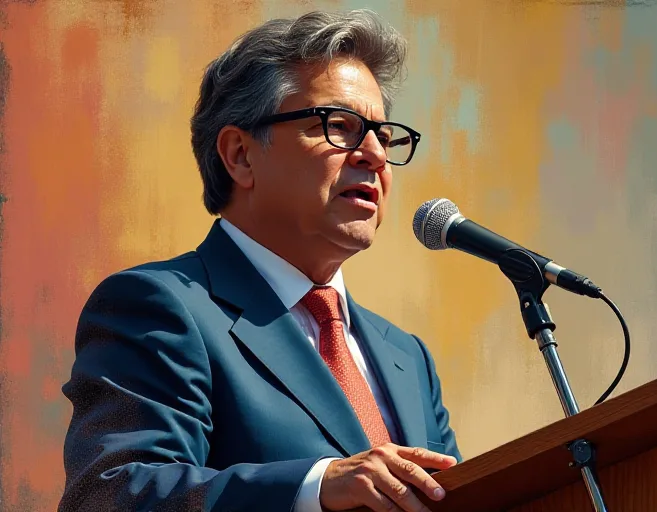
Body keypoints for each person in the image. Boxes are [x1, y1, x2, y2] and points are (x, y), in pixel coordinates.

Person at [59, 9, 461, 512]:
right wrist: (313, 487)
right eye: (340, 126)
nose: (375, 154)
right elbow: (113, 493)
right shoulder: (158, 307)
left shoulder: (409, 359)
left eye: (384, 135)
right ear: (241, 155)